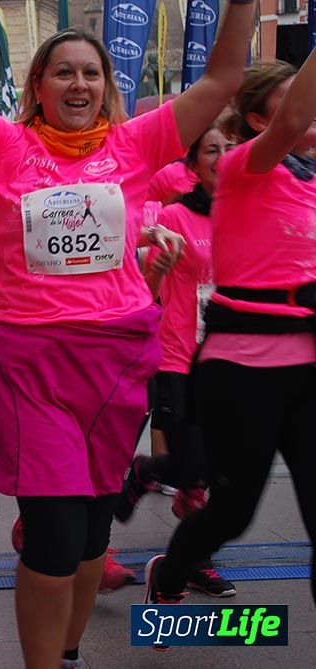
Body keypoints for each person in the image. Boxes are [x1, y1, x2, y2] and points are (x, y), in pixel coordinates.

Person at [0, 0, 255, 665]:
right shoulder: (0, 145)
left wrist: (242, 5)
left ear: (108, 85)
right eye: (63, 74)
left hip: (118, 361)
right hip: (30, 362)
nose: (78, 85)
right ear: (38, 88)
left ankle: (68, 652)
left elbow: (221, 82)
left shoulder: (134, 145)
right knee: (51, 531)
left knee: (89, 536)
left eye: (91, 74)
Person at [144, 55, 316, 626]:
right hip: (243, 371)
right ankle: (170, 573)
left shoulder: (312, 182)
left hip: (310, 367)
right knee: (234, 513)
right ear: (260, 119)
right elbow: (295, 123)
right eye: (295, 101)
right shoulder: (246, 165)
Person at [113, 126, 238, 600]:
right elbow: (145, 290)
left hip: (229, 358)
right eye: (212, 150)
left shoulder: (246, 213)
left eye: (229, 148)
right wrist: (156, 271)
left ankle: (193, 560)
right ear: (193, 166)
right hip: (178, 358)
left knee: (216, 473)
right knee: (191, 466)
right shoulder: (174, 217)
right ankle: (147, 472)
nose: (223, 156)